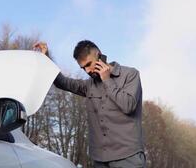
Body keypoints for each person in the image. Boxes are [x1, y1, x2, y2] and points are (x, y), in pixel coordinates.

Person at [33, 40, 146, 168]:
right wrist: (46, 57)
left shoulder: (130, 74)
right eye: (83, 68)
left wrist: (107, 80)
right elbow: (62, 82)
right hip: (100, 160)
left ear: (99, 55)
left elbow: (129, 106)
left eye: (89, 64)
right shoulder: (89, 86)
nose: (87, 70)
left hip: (128, 157)